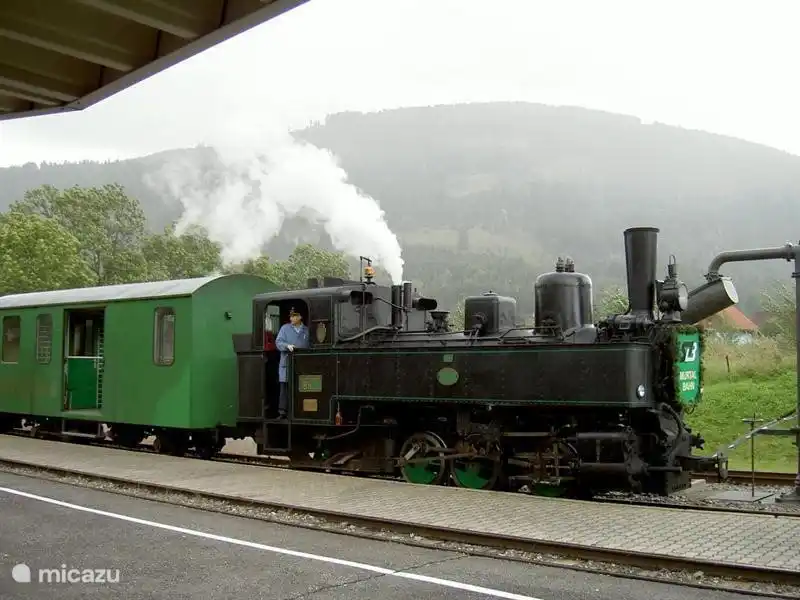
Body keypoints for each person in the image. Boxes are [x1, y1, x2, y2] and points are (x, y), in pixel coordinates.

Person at [274, 309, 310, 418]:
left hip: (302, 364)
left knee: (300, 387)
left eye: (294, 316)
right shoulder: (284, 328)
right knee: (285, 388)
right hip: (287, 362)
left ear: (300, 317)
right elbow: (278, 342)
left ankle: (298, 411)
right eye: (291, 316)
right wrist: (286, 346)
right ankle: (282, 412)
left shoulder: (306, 330)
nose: (291, 318)